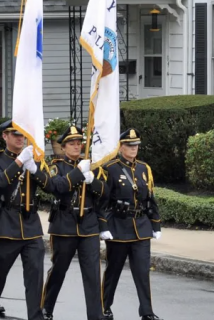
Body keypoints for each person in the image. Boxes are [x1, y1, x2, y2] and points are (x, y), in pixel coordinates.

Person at [0, 120, 84, 320]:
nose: (19, 138)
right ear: (4, 136)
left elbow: (51, 187)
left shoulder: (34, 159)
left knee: (35, 274)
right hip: (6, 224)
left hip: (31, 224)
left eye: (22, 135)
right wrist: (18, 163)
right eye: (14, 134)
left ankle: (35, 315)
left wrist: (34, 169)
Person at [41, 125, 106, 320]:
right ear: (63, 146)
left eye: (79, 143)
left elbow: (105, 192)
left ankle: (96, 315)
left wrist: (92, 181)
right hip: (64, 225)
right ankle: (46, 308)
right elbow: (56, 187)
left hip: (89, 225)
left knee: (93, 274)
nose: (77, 146)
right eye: (72, 143)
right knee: (59, 270)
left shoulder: (93, 166)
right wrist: (78, 173)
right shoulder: (56, 166)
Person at [100, 129, 163, 320]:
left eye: (136, 145)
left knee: (143, 271)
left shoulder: (144, 168)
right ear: (121, 147)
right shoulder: (110, 168)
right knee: (114, 270)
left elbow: (149, 198)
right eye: (129, 145)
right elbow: (103, 201)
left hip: (141, 227)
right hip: (118, 228)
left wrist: (156, 224)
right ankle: (104, 306)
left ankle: (147, 311)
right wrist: (103, 227)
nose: (134, 149)